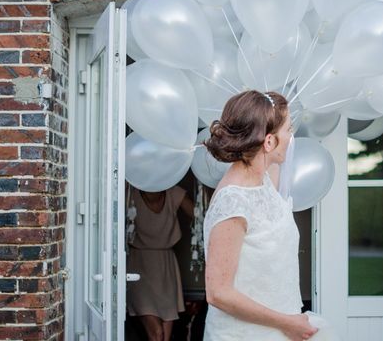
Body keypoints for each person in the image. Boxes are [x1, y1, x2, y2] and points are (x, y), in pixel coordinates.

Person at [202, 90, 319, 341]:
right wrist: (287, 323)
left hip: (278, 329)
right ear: (268, 142)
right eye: (289, 130)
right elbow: (218, 293)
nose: (291, 137)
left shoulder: (265, 179)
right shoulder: (232, 202)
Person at [126, 183, 194, 341]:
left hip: (166, 266)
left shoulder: (173, 192)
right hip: (140, 266)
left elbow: (200, 215)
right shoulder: (130, 192)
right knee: (156, 333)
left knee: (165, 335)